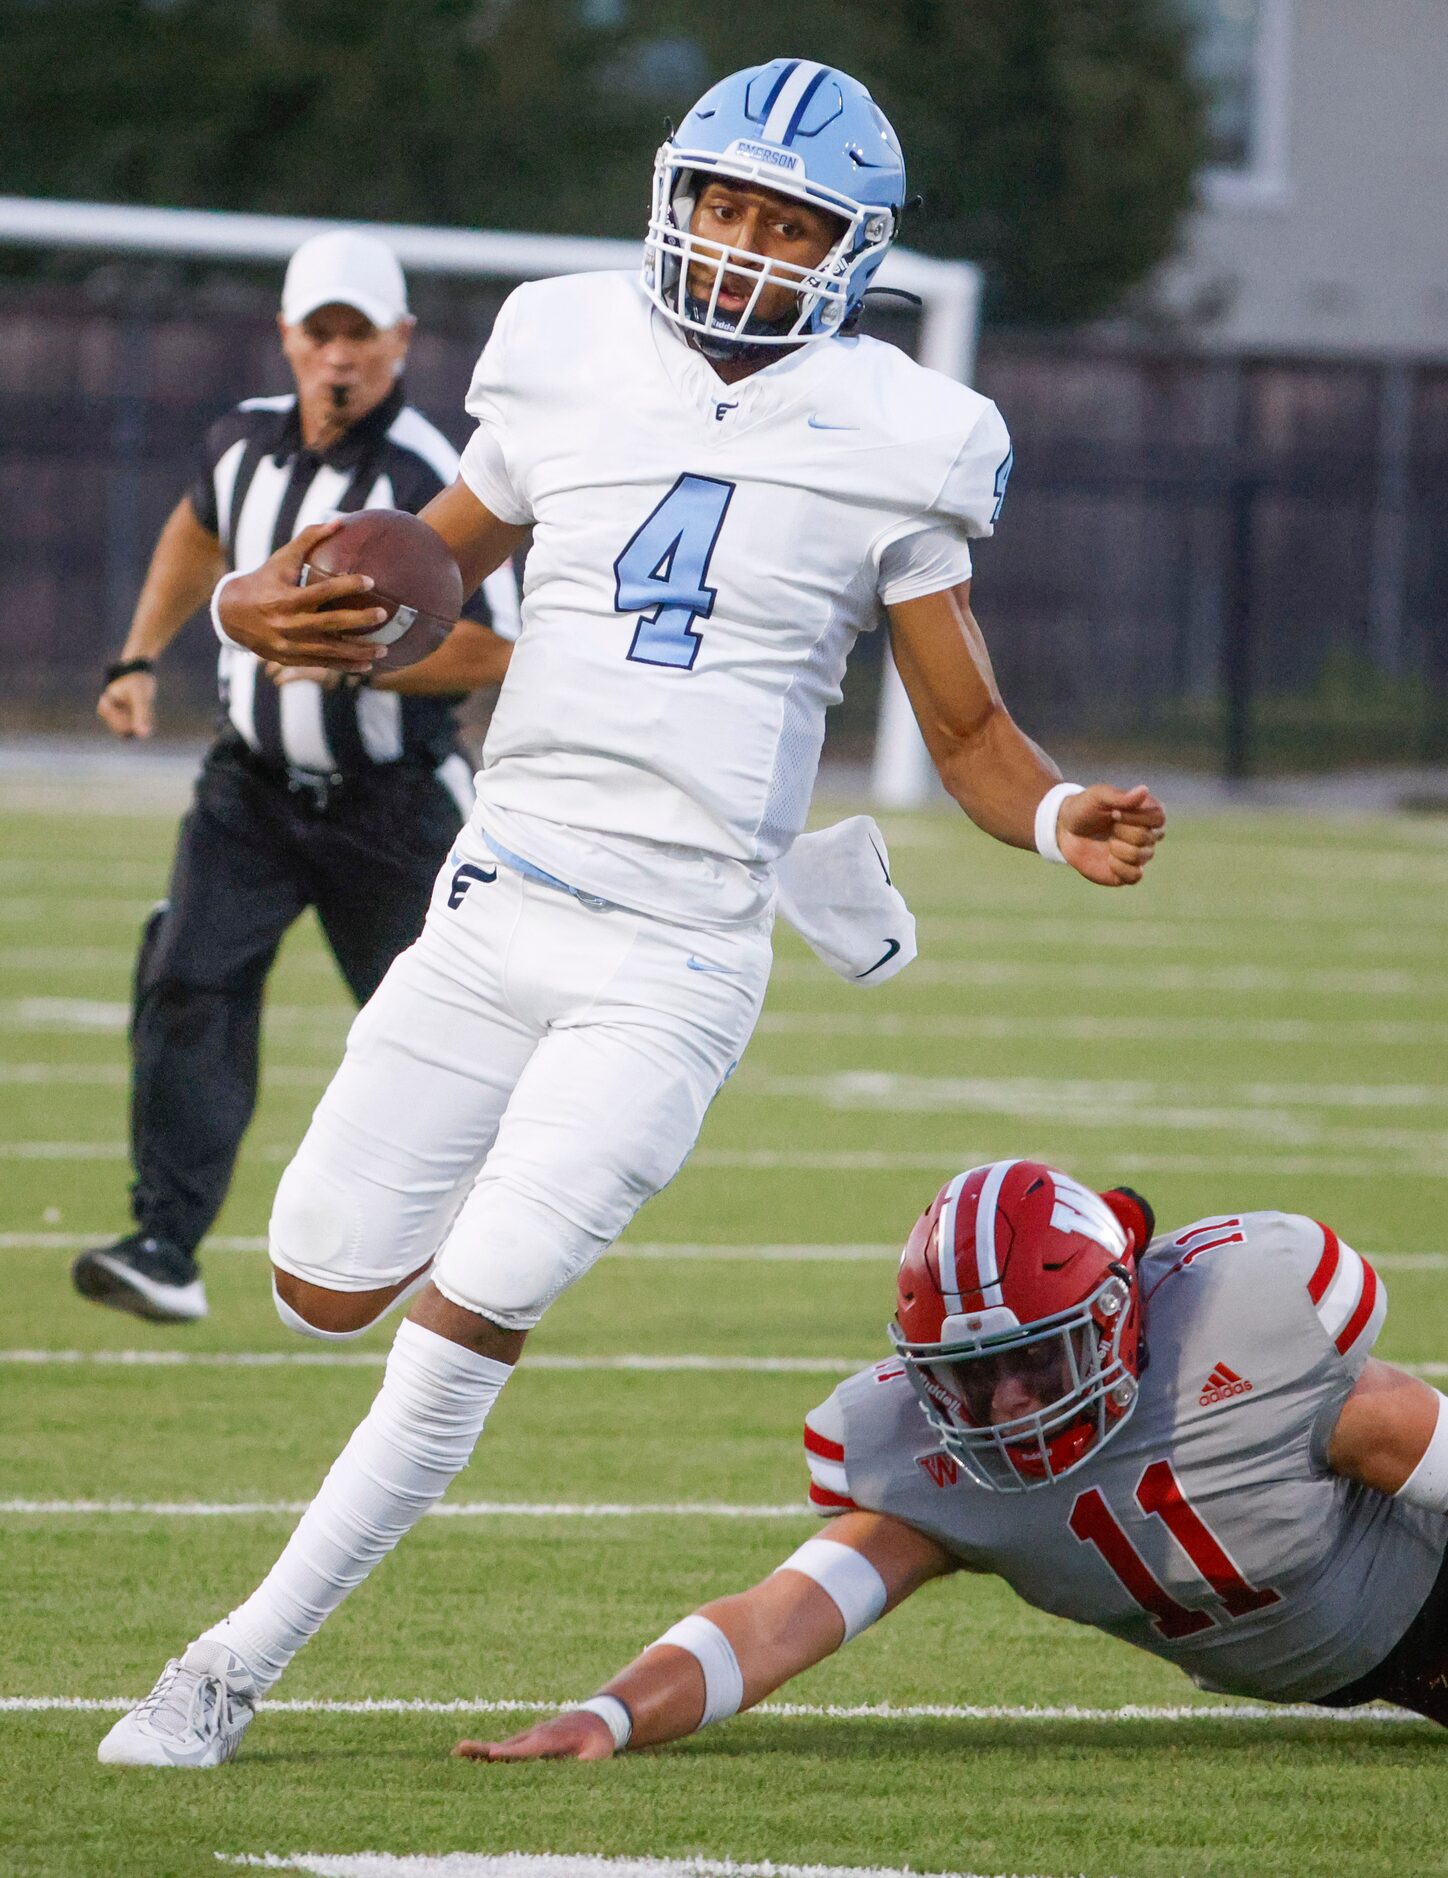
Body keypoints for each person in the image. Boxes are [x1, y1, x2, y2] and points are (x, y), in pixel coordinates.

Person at [96, 59, 1165, 1768]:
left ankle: (226, 1663)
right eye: (724, 203)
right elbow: (418, 566)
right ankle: (508, 1193)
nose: (742, 245)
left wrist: (1050, 810)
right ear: (674, 195)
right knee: (315, 1282)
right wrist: (258, 601)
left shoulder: (909, 433)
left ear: (850, 249)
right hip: (497, 891)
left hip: (674, 953)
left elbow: (964, 729)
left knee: (470, 1318)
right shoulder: (562, 345)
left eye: (786, 221)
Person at [461, 1160, 1448, 1763]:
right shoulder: (931, 1470)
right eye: (971, 1375)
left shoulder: (1242, 1318)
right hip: (1351, 1661)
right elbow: (776, 1620)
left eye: (1033, 1359)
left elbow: (1403, 1428)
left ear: (1117, 1317)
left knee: (1362, 1415)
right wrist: (610, 1714)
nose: (1010, 1402)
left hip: (1426, 1578)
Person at [73, 230, 521, 1325]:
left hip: (393, 802)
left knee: (438, 1029)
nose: (336, 357)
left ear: (400, 342)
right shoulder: (240, 448)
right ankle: (165, 1246)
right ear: (285, 337)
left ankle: (490, 1244)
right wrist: (139, 653)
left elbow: (500, 646)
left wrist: (360, 646)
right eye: (317, 333)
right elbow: (195, 529)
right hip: (251, 789)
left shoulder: (433, 475)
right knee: (185, 983)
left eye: (358, 335)